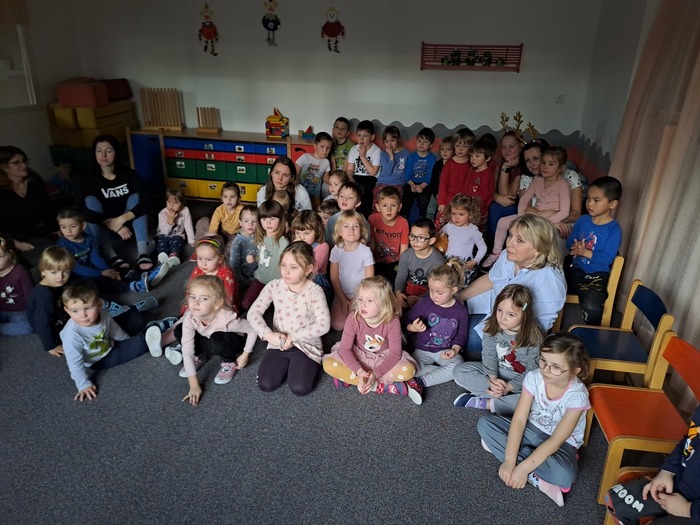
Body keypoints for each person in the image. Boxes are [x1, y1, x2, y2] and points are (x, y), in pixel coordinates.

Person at [477, 332, 591, 507]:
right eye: (543, 360)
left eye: (556, 367)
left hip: (562, 443)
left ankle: (521, 461)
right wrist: (509, 461)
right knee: (484, 424)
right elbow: (519, 420)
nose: (546, 369)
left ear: (575, 371)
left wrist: (522, 468)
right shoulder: (534, 377)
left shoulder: (578, 395)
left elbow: (556, 440)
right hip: (531, 429)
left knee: (566, 476)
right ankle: (537, 476)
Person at [457, 213, 567, 356]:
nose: (509, 243)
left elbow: (541, 324)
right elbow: (491, 279)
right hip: (493, 308)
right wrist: (459, 297)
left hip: (512, 330)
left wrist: (501, 335)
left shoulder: (549, 278)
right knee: (447, 312)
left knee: (465, 337)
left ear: (538, 249)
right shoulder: (507, 255)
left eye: (520, 240)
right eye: (510, 235)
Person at [247, 241, 331, 396]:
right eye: (283, 265)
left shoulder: (315, 291)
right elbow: (253, 313)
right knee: (266, 384)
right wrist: (268, 335)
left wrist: (293, 337)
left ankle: (309, 365)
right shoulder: (274, 285)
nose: (286, 272)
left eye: (293, 267)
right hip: (278, 343)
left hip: (306, 344)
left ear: (308, 269)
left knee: (300, 388)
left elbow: (324, 325)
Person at [323, 275, 422, 404]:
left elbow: (395, 354)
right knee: (328, 364)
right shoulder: (353, 317)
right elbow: (345, 349)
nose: (362, 304)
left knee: (409, 371)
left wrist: (375, 373)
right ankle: (384, 386)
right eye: (360, 299)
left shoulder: (392, 321)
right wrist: (359, 371)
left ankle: (351, 379)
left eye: (369, 300)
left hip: (383, 358)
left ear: (384, 304)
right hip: (359, 355)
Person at [453, 284, 544, 416]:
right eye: (499, 310)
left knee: (538, 398)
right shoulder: (492, 327)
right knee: (459, 371)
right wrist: (493, 379)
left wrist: (509, 387)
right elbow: (489, 355)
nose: (502, 317)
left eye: (511, 314)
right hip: (497, 373)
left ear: (525, 314)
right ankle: (502, 401)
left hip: (521, 380)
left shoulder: (534, 337)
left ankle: (488, 402)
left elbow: (533, 371)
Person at [605, 405, 700, 525]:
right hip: (681, 484)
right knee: (617, 501)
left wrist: (687, 509)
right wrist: (667, 471)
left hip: (693, 511)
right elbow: (690, 440)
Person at [60, 280, 149, 401]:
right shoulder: (71, 335)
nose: (83, 315)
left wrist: (126, 339)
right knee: (140, 343)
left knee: (134, 317)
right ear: (67, 310)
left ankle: (141, 319)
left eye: (88, 308)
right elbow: (74, 363)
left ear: (99, 304)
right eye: (75, 311)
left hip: (110, 341)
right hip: (100, 359)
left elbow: (114, 329)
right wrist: (83, 385)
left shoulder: (103, 313)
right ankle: (159, 331)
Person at [173, 276, 257, 405]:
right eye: (192, 297)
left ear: (217, 304)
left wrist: (245, 354)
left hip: (229, 342)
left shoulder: (227, 319)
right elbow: (187, 351)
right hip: (209, 339)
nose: (195, 303)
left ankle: (229, 362)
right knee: (179, 330)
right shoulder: (191, 318)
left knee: (217, 337)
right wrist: (194, 385)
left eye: (204, 298)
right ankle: (200, 356)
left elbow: (253, 330)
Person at [484, 146, 571, 268]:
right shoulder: (537, 181)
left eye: (551, 164)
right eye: (543, 163)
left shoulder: (563, 185)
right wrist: (521, 218)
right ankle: (496, 254)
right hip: (534, 216)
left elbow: (564, 211)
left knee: (535, 232)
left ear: (561, 168)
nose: (545, 167)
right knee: (502, 222)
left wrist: (547, 222)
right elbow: (524, 200)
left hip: (550, 217)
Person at [80, 135, 153, 271]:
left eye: (108, 151)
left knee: (136, 197)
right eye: (99, 151)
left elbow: (145, 201)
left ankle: (143, 252)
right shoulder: (88, 179)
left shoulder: (129, 174)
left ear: (116, 153)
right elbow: (81, 208)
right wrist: (114, 225)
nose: (103, 155)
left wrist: (121, 220)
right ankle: (110, 254)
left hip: (126, 220)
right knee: (89, 200)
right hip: (102, 223)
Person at [56, 208, 168, 293]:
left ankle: (145, 276)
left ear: (83, 225)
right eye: (63, 227)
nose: (68, 231)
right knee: (100, 281)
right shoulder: (62, 245)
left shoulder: (89, 238)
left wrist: (108, 271)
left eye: (73, 226)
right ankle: (136, 286)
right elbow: (76, 268)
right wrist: (101, 273)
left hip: (94, 268)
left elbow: (95, 257)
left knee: (117, 269)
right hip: (79, 275)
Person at [404, 259, 469, 396]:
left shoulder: (461, 311)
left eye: (439, 293)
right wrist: (412, 327)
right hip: (422, 350)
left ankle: (421, 382)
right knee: (408, 367)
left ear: (453, 290)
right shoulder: (424, 303)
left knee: (458, 365)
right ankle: (440, 374)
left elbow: (461, 335)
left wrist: (454, 350)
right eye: (431, 290)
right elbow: (405, 320)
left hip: (445, 351)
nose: (434, 296)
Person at [565, 176, 623, 325]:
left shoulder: (613, 229)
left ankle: (592, 332)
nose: (589, 204)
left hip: (596, 276)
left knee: (592, 306)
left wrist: (586, 252)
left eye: (596, 200)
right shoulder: (582, 220)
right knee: (550, 285)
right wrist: (574, 247)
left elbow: (608, 258)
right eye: (588, 198)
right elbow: (569, 242)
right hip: (575, 268)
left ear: (612, 204)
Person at [518, 141, 584, 240]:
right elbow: (526, 207)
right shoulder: (530, 179)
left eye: (536, 158)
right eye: (527, 160)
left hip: (556, 222)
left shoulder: (567, 178)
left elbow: (575, 214)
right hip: (537, 221)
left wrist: (549, 219)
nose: (532, 164)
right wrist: (549, 216)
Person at [0, 146, 56, 254]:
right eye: (17, 162)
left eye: (24, 161)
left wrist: (58, 229)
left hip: (39, 233)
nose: (24, 166)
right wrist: (15, 243)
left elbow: (47, 209)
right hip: (12, 241)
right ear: (3, 167)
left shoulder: (34, 181)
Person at [329, 210, 375, 331]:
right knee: (338, 325)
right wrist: (342, 299)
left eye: (356, 226)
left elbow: (369, 280)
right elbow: (334, 277)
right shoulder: (336, 250)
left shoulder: (365, 251)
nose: (351, 230)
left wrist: (358, 299)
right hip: (341, 294)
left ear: (361, 230)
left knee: (361, 323)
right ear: (339, 231)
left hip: (361, 294)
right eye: (346, 226)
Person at [241, 200, 289, 310]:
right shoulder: (261, 237)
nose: (268, 223)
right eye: (264, 219)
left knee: (269, 308)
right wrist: (254, 258)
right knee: (245, 304)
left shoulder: (282, 242)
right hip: (260, 278)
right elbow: (263, 257)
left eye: (272, 219)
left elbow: (285, 265)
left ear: (280, 219)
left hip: (275, 283)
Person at [436, 128, 485, 230]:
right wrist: (441, 202)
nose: (460, 149)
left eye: (465, 146)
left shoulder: (472, 165)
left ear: (471, 147)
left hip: (465, 202)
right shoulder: (449, 163)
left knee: (468, 226)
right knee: (439, 225)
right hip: (449, 201)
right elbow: (443, 184)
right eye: (458, 145)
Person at [394, 218, 445, 310]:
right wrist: (398, 292)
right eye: (412, 236)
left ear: (431, 240)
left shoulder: (438, 261)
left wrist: (422, 299)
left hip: (429, 296)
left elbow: (438, 287)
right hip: (407, 293)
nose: (415, 241)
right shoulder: (406, 255)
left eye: (421, 238)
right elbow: (401, 277)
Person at [441, 194, 487, 286]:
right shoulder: (449, 226)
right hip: (448, 261)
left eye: (461, 214)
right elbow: (440, 234)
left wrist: (475, 261)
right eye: (454, 214)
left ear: (470, 214)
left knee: (461, 285)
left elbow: (483, 248)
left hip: (463, 264)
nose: (456, 217)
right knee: (447, 283)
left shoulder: (473, 230)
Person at [488, 131, 525, 243]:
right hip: (503, 205)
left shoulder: (524, 167)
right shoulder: (498, 164)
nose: (506, 150)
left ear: (521, 147)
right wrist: (496, 197)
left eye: (512, 146)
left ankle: (495, 248)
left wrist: (506, 167)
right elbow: (489, 189)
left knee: (496, 208)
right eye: (503, 147)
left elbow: (507, 199)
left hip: (520, 209)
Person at [368, 186, 408, 284]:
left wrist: (402, 267)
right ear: (378, 207)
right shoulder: (373, 219)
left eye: (393, 205)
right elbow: (371, 243)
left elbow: (404, 250)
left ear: (399, 207)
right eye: (384, 205)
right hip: (376, 260)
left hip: (394, 262)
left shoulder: (403, 223)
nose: (389, 210)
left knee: (393, 282)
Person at [193, 182, 243, 259]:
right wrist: (212, 236)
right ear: (221, 198)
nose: (229, 200)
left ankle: (218, 252)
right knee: (203, 221)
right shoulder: (219, 210)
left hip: (233, 235)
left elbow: (247, 224)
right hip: (219, 232)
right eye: (225, 197)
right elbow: (213, 227)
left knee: (236, 245)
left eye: (232, 197)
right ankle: (199, 249)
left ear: (239, 198)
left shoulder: (241, 210)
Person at [345, 120, 381, 217]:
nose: (361, 138)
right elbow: (349, 170)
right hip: (356, 176)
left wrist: (363, 157)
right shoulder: (353, 149)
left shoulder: (376, 151)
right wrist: (351, 179)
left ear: (372, 137)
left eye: (365, 136)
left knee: (364, 188)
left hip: (370, 178)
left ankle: (364, 215)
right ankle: (350, 213)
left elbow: (373, 172)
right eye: (359, 135)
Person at [0, 233, 33, 336]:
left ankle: (2, 329)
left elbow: (30, 295)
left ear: (10, 254)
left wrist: (31, 312)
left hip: (19, 312)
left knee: (28, 327)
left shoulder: (20, 271)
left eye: (0, 256)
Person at [292, 210, 330, 298]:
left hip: (316, 282)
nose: (301, 237)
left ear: (317, 232)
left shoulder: (323, 246)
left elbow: (314, 268)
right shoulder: (294, 245)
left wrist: (301, 250)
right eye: (298, 233)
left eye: (306, 233)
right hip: (299, 279)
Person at [402, 127, 437, 222]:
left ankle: (422, 218)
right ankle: (403, 217)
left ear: (431, 145)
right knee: (406, 198)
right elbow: (407, 173)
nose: (421, 144)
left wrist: (422, 186)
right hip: (411, 182)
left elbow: (430, 175)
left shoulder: (432, 158)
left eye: (425, 142)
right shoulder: (412, 157)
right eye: (419, 141)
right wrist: (412, 184)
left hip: (425, 184)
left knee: (424, 200)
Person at [155, 188, 195, 267]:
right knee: (162, 242)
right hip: (163, 234)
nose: (171, 205)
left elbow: (188, 225)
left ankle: (174, 256)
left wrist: (191, 239)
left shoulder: (185, 210)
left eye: (175, 203)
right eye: (169, 202)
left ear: (182, 203)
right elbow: (164, 232)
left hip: (177, 234)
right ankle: (162, 256)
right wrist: (170, 221)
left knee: (176, 242)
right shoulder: (162, 214)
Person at [295, 131, 332, 209]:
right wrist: (297, 189)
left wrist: (337, 183)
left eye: (328, 148)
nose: (325, 150)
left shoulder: (326, 162)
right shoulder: (305, 157)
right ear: (315, 146)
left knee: (315, 213)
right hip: (301, 193)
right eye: (322, 147)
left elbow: (326, 178)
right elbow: (295, 173)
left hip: (315, 195)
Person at [321, 117, 355, 200]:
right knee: (325, 187)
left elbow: (348, 162)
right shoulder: (331, 143)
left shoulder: (351, 145)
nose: (339, 130)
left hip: (344, 173)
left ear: (348, 133)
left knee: (342, 187)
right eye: (337, 127)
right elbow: (331, 160)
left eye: (343, 128)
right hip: (333, 173)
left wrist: (341, 176)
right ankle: (327, 203)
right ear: (333, 130)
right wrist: (333, 175)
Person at [374, 125, 409, 204]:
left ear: (398, 139)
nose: (390, 144)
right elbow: (387, 172)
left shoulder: (406, 153)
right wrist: (391, 157)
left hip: (397, 183)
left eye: (392, 140)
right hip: (383, 182)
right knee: (378, 203)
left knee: (394, 204)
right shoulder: (383, 153)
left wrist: (403, 181)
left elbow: (407, 170)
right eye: (386, 141)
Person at [229, 204, 259, 291]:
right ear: (240, 223)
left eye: (254, 221)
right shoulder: (238, 242)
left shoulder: (259, 237)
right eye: (246, 221)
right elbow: (234, 265)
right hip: (244, 279)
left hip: (258, 275)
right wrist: (242, 282)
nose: (250, 224)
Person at [428, 136, 454, 209]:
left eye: (448, 149)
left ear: (453, 151)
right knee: (430, 210)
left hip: (449, 194)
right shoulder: (438, 164)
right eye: (442, 149)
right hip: (437, 192)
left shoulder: (454, 165)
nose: (445, 152)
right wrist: (436, 194)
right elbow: (433, 181)